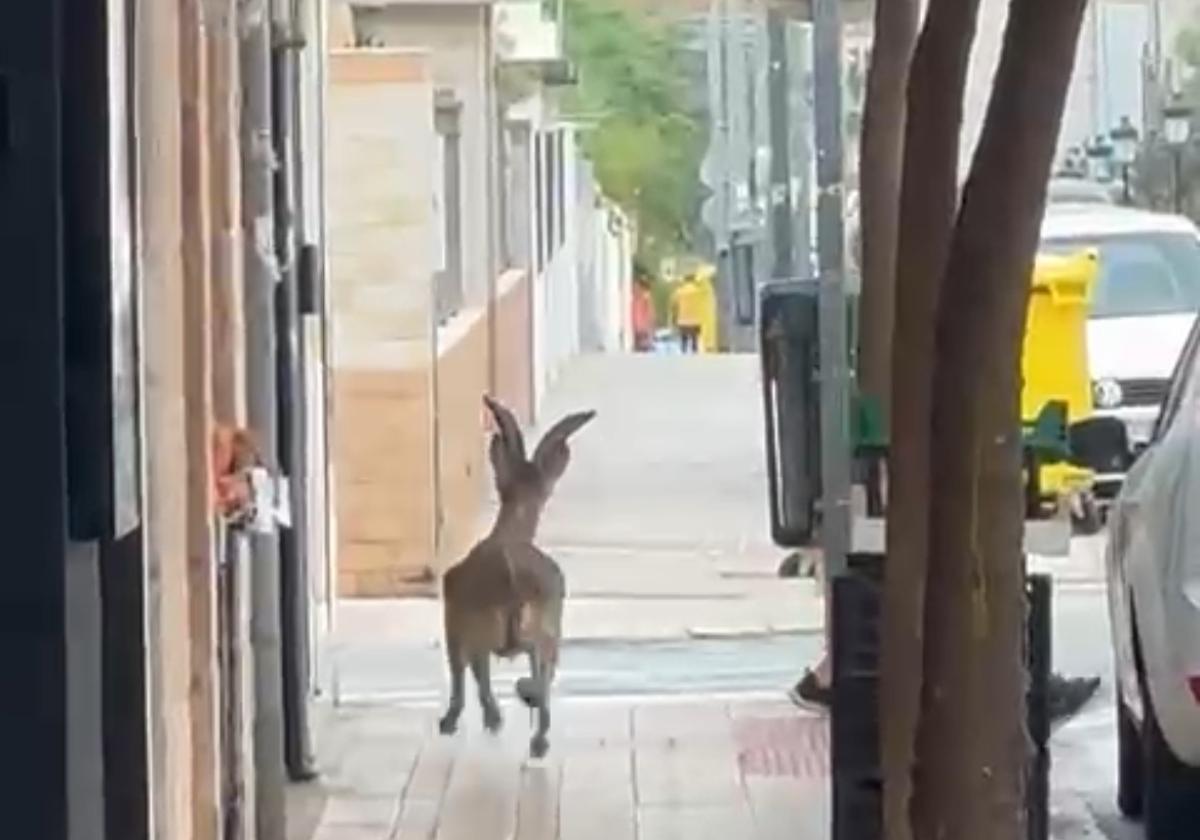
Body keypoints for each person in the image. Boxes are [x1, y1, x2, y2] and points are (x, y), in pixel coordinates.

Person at [670, 273, 705, 354]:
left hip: (683, 321)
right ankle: (694, 356)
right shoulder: (698, 291)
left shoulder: (679, 292)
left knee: (684, 342)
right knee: (694, 341)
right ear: (693, 280)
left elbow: (674, 306)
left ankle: (684, 357)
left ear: (685, 281)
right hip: (696, 320)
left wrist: (673, 319)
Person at [631, 264, 656, 353]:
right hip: (637, 327)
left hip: (643, 327)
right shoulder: (635, 298)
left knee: (642, 347)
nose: (635, 288)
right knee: (639, 347)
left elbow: (650, 313)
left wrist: (650, 327)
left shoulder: (645, 297)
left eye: (636, 286)